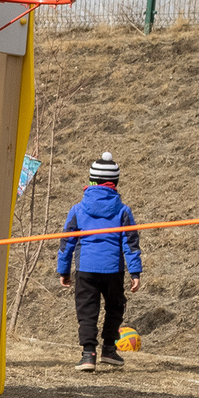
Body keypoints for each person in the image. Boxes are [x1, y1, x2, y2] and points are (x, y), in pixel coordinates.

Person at [57, 152, 142, 369]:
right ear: (115, 183)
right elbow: (130, 243)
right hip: (113, 269)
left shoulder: (77, 210)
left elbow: (67, 243)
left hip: (86, 269)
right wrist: (135, 273)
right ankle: (110, 350)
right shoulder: (123, 210)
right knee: (115, 307)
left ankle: (88, 355)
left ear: (90, 181)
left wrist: (64, 271)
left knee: (87, 311)